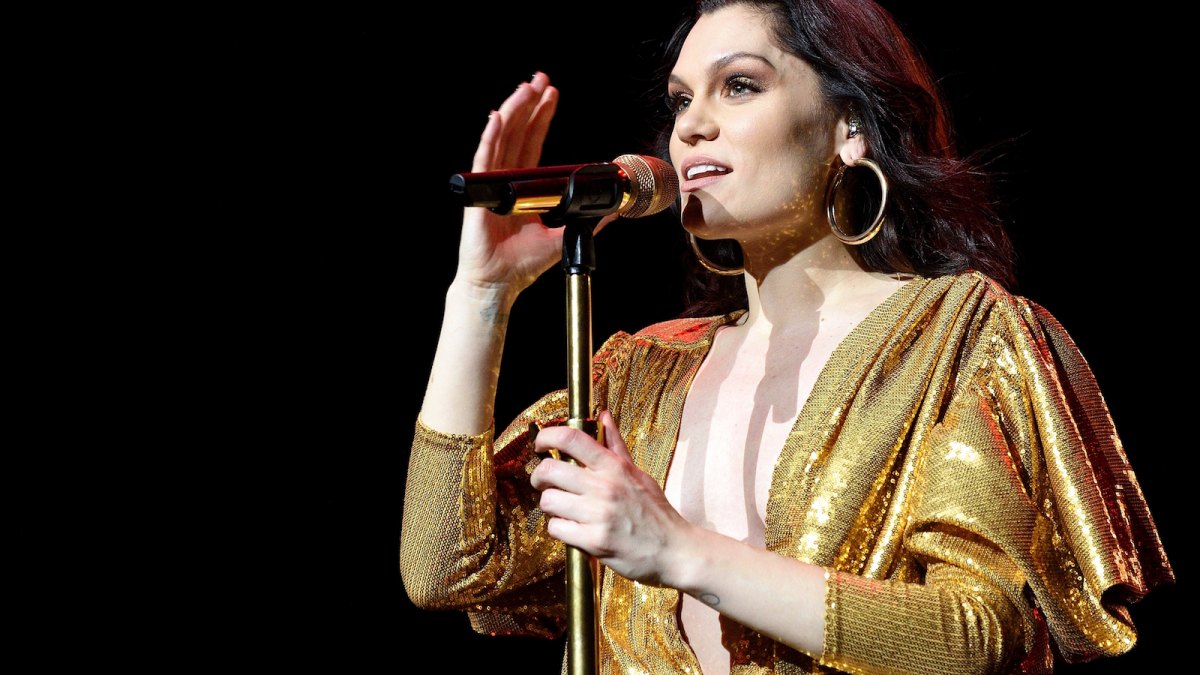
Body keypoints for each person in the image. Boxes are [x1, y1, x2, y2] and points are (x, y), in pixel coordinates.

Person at [400, 1, 1173, 672]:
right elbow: (444, 567)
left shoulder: (960, 337)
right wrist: (481, 293)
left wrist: (682, 551)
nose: (692, 125)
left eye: (739, 86)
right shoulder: (639, 372)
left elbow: (976, 634)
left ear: (848, 128)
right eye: (679, 100)